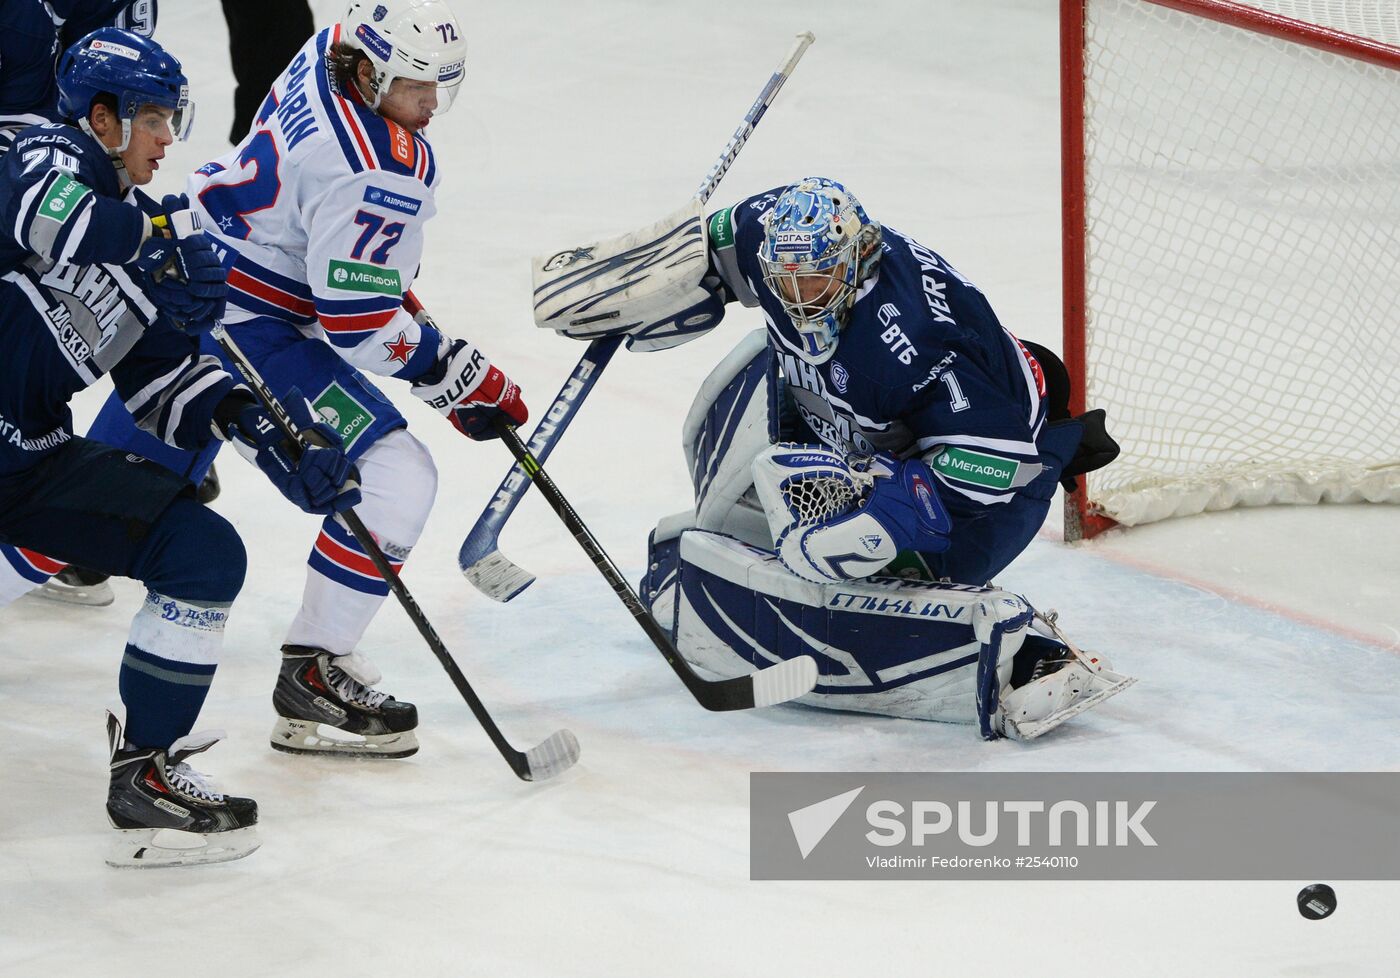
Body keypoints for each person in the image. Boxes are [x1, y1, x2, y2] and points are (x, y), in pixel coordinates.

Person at [581, 177, 1128, 738]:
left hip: (988, 496)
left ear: (858, 260)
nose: (796, 298)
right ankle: (748, 536)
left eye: (815, 280)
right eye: (783, 280)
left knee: (852, 567)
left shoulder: (912, 340)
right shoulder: (775, 235)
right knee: (755, 370)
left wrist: (878, 526)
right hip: (871, 434)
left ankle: (1022, 653)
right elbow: (714, 241)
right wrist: (652, 276)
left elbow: (996, 464)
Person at [0, 28, 360, 865]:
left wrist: (270, 438)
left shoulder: (141, 227)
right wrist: (154, 248)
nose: (169, 139)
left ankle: (145, 776)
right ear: (102, 118)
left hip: (27, 458)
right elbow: (40, 218)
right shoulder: (38, 153)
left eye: (172, 118)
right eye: (154, 119)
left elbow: (164, 385)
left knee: (200, 551)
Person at [138, 0, 523, 759]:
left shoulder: (328, 48)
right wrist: (453, 375)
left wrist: (381, 291)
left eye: (439, 86)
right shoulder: (384, 165)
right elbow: (354, 323)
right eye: (416, 87)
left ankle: (75, 551)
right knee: (397, 479)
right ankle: (314, 673)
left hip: (184, 271)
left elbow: (330, 244)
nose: (431, 105)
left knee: (81, 505)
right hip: (246, 330)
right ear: (372, 72)